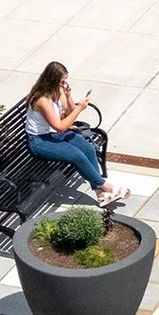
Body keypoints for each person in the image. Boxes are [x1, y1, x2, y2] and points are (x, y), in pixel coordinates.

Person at [25, 61, 127, 208]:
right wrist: (79, 108)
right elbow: (59, 126)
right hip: (40, 140)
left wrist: (68, 96)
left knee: (88, 149)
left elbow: (70, 112)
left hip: (54, 134)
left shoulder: (58, 91)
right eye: (62, 81)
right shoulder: (41, 99)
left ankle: (100, 194)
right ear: (53, 80)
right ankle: (106, 186)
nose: (64, 83)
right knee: (76, 155)